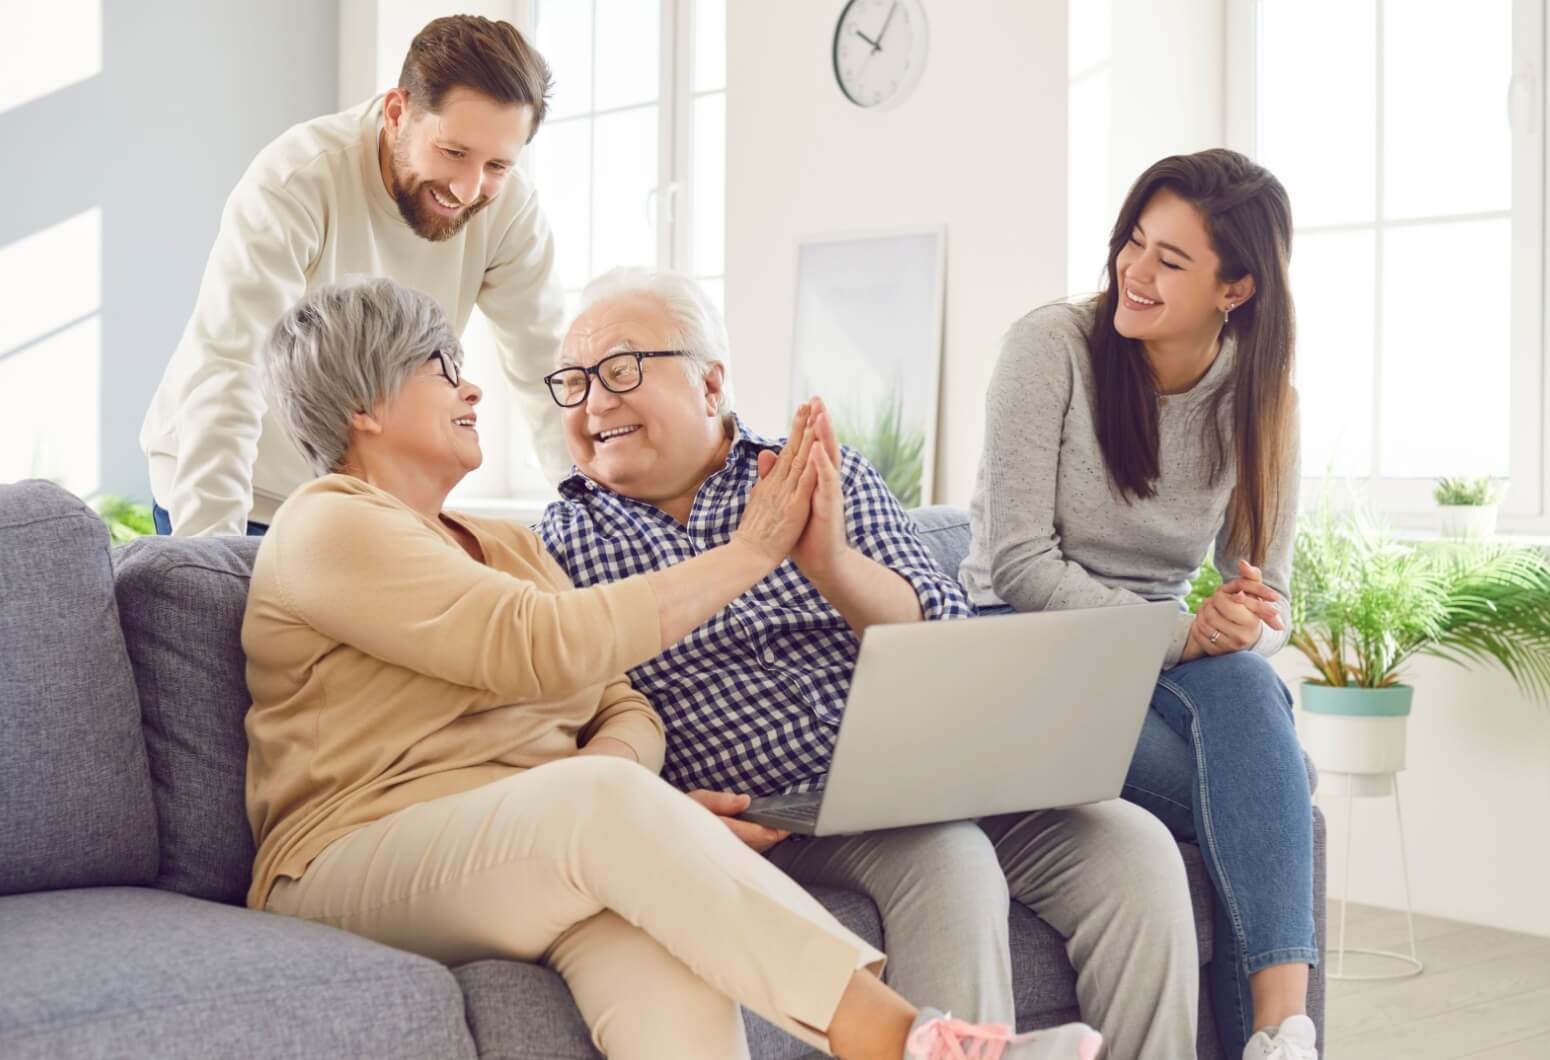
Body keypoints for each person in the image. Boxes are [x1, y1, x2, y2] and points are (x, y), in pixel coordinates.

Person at [244, 275, 1104, 1060]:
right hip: (351, 859)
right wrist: (754, 550)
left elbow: (622, 701)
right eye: (441, 368)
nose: (471, 388)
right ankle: (916, 1044)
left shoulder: (502, 544)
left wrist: (612, 779)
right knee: (595, 809)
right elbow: (534, 641)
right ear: (365, 404)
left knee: (671, 965)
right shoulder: (327, 524)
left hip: (530, 845)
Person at [536, 266, 1200, 1060]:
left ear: (710, 383)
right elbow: (566, 730)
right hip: (781, 811)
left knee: (1134, 846)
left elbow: (948, 636)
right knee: (947, 857)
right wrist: (662, 812)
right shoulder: (559, 544)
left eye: (620, 371)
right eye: (573, 384)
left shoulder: (824, 475)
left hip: (933, 769)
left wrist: (834, 566)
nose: (594, 403)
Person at [961, 149, 1316, 1060]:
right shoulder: (1051, 348)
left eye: (1171, 260)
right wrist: (1182, 633)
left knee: (1248, 691)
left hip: (1164, 659)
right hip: (1026, 642)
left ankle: (1285, 1034)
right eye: (1135, 241)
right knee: (1255, 792)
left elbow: (1263, 592)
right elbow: (1017, 566)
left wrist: (1239, 623)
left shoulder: (1261, 395)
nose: (1135, 269)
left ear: (1235, 289)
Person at [141, 15, 569, 538]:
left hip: (360, 504)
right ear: (397, 112)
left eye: (498, 165)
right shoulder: (297, 181)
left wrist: (599, 514)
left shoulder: (511, 213)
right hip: (235, 490)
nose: (467, 188)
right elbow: (229, 369)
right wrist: (211, 551)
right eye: (453, 152)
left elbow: (547, 372)